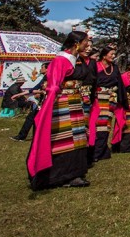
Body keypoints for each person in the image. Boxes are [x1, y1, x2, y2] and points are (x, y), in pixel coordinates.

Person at [26, 31, 93, 190]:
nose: (88, 45)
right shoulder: (60, 60)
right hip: (62, 104)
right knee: (62, 139)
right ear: (77, 43)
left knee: (77, 138)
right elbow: (54, 83)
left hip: (76, 103)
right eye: (86, 42)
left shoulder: (77, 60)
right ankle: (57, 175)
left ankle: (74, 173)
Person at [88, 44, 127, 162]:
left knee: (105, 126)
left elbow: (119, 83)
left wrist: (121, 99)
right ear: (104, 55)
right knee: (95, 125)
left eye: (114, 54)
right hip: (98, 99)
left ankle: (99, 152)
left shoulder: (114, 68)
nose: (114, 56)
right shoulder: (96, 66)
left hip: (110, 99)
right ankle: (94, 151)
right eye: (112, 54)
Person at [11, 65, 48, 142]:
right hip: (41, 102)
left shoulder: (50, 78)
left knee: (34, 118)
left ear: (47, 69)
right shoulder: (45, 78)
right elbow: (33, 89)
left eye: (42, 67)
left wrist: (39, 92)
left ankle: (27, 137)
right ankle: (29, 137)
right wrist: (19, 95)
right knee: (32, 118)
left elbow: (48, 90)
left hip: (46, 102)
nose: (40, 69)